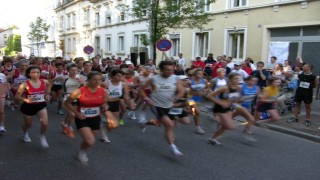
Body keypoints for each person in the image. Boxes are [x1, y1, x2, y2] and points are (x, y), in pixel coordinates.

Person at [64, 71, 116, 164]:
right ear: (88, 80)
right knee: (90, 141)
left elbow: (105, 103)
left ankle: (81, 151)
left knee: (89, 140)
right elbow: (66, 103)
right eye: (94, 79)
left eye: (99, 80)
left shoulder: (103, 91)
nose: (97, 81)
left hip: (96, 118)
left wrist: (105, 106)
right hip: (82, 118)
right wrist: (76, 113)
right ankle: (82, 152)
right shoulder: (80, 91)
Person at [139, 61, 185, 156]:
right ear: (161, 70)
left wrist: (175, 98)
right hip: (156, 106)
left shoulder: (176, 79)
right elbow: (140, 89)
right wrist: (147, 99)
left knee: (185, 121)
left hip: (170, 106)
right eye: (167, 70)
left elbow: (181, 91)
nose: (170, 72)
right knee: (169, 125)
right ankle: (173, 148)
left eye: (172, 70)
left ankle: (146, 123)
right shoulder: (154, 79)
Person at [15, 66, 52, 148]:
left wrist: (47, 93)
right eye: (33, 72)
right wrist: (26, 99)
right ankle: (25, 133)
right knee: (28, 124)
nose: (36, 74)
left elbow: (49, 85)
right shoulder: (25, 84)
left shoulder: (44, 81)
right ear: (29, 74)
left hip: (40, 104)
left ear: (40, 73)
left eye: (38, 72)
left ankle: (42, 136)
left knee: (45, 123)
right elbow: (17, 96)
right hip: (28, 106)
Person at [206, 73, 242, 145]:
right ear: (230, 79)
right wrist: (220, 103)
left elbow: (235, 98)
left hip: (229, 108)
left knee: (225, 126)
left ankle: (212, 138)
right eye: (235, 78)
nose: (237, 80)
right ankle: (216, 118)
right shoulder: (225, 88)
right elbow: (209, 96)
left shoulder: (238, 88)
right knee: (230, 126)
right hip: (220, 108)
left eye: (238, 79)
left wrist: (236, 104)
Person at [61, 63, 85, 138]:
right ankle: (69, 128)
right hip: (67, 98)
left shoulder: (80, 77)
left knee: (70, 114)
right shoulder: (64, 78)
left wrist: (81, 83)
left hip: (77, 98)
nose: (74, 72)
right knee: (72, 114)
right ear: (68, 71)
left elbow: (84, 87)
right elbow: (61, 87)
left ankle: (65, 124)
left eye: (75, 70)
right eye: (72, 70)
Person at [188, 68, 210, 135]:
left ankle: (184, 112)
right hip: (190, 98)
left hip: (198, 99)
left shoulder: (205, 81)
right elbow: (186, 90)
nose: (201, 75)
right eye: (199, 73)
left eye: (202, 74)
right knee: (197, 112)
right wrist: (194, 92)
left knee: (194, 113)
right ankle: (198, 127)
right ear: (195, 74)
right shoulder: (190, 81)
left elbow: (208, 88)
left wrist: (204, 91)